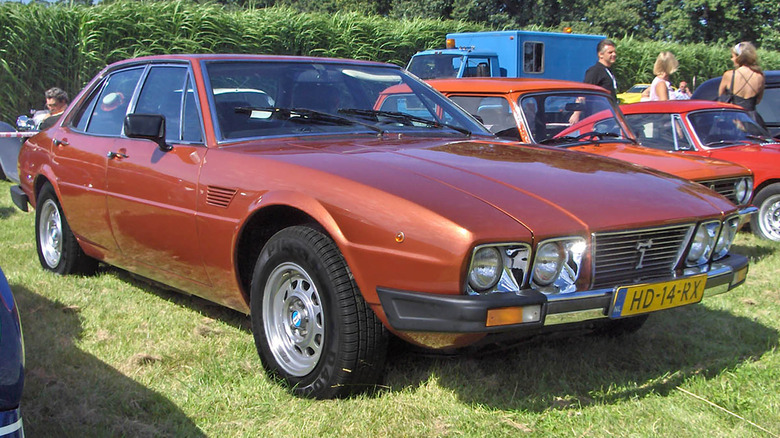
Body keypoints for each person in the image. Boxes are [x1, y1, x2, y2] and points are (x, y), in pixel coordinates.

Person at [570, 39, 617, 125]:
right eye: (610, 52)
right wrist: (576, 113)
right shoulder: (595, 71)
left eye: (614, 52)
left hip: (609, 115)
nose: (614, 54)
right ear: (600, 55)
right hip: (599, 118)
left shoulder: (608, 71)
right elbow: (583, 92)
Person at [718, 42, 765, 114]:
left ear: (739, 57)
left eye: (733, 56)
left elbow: (721, 98)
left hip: (733, 117)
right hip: (751, 119)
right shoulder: (760, 76)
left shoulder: (729, 75)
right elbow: (758, 100)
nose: (731, 59)